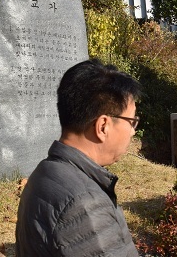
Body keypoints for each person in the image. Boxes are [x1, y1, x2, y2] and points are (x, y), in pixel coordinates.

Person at [15, 59, 141, 256]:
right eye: (132, 121)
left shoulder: (45, 171)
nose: (133, 132)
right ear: (103, 127)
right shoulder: (85, 205)